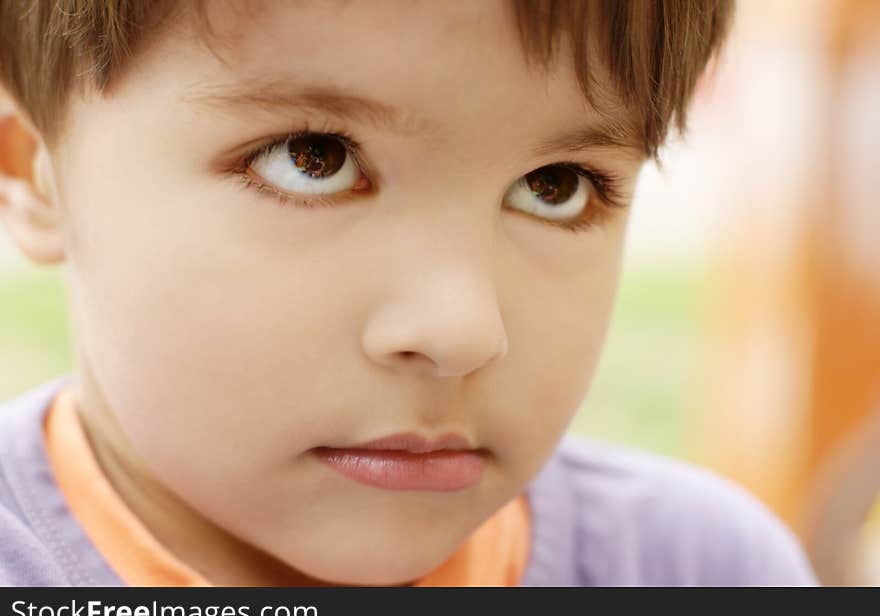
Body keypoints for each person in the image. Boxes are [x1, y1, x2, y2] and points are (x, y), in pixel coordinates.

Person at [0, 0, 817, 586]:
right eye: (312, 157)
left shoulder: (705, 571)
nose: (462, 329)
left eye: (557, 185)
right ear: (34, 174)